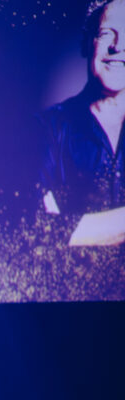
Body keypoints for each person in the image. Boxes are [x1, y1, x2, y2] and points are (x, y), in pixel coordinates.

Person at [37, 0, 125, 247]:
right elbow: (41, 230)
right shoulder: (47, 129)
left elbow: (60, 230)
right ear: (87, 43)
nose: (118, 46)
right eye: (107, 34)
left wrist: (76, 229)